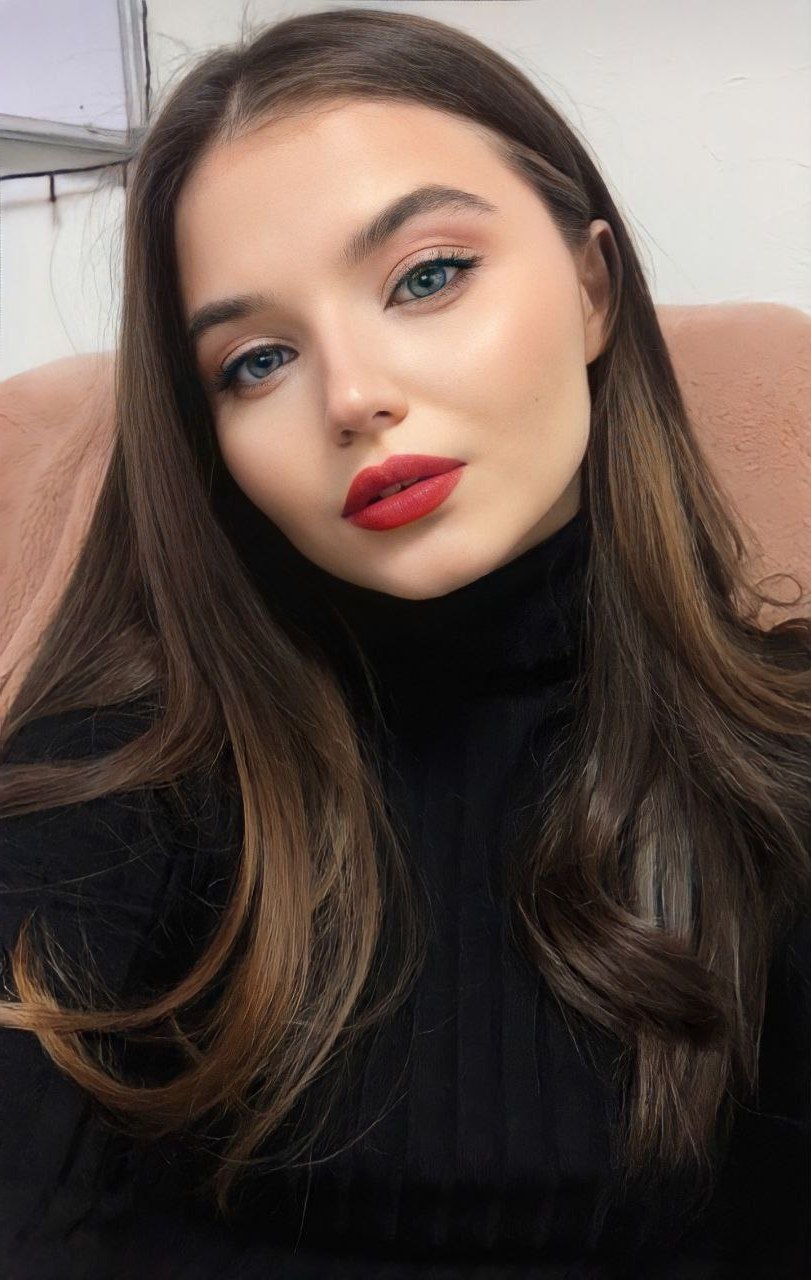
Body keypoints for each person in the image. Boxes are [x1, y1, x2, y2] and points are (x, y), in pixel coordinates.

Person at [0, 7, 809, 1278]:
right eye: (258, 360)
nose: (352, 395)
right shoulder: (123, 761)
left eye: (426, 277)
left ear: (591, 289)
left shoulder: (780, 750)